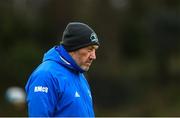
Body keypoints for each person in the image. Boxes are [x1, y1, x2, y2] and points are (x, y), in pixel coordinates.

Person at [25, 22, 100, 117]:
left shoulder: (80, 76)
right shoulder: (45, 75)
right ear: (74, 47)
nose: (93, 56)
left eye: (95, 50)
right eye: (89, 49)